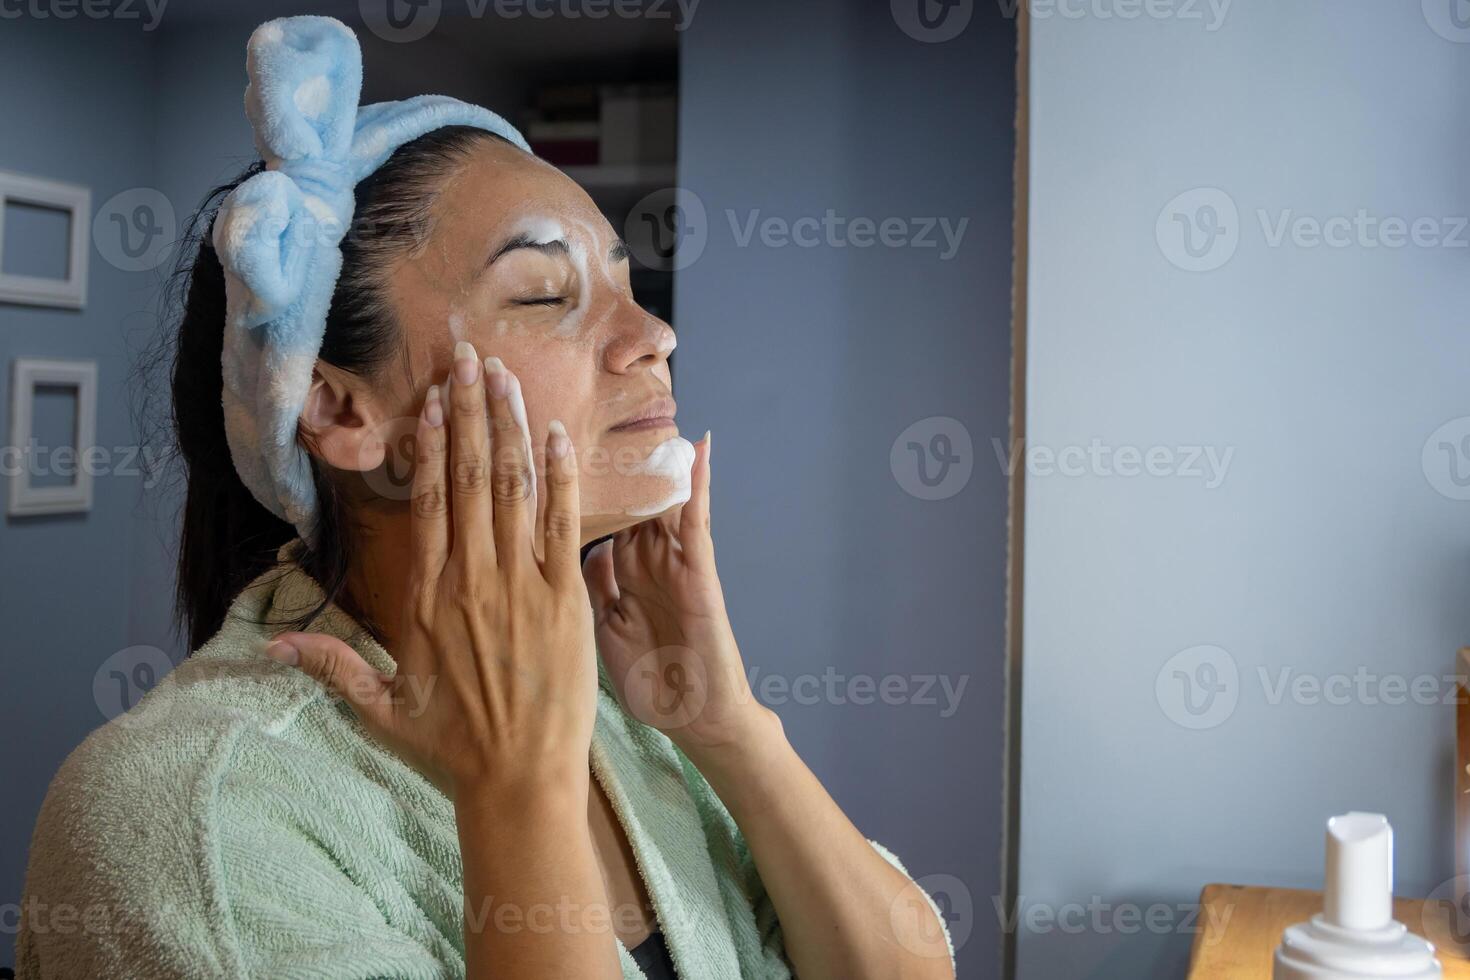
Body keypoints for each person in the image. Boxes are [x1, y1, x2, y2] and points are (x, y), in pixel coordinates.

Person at [16, 16, 956, 979]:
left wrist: (729, 728)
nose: (656, 334)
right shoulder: (184, 816)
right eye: (546, 294)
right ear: (341, 407)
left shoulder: (627, 710)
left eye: (628, 286)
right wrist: (517, 793)